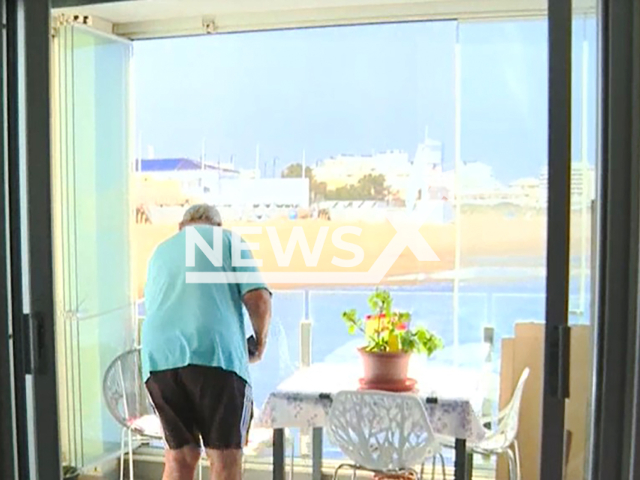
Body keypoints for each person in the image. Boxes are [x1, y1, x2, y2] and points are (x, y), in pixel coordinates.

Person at [141, 204, 272, 480]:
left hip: (159, 361)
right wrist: (259, 343)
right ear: (217, 225)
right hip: (215, 357)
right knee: (224, 461)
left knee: (180, 457)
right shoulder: (228, 241)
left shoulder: (160, 251)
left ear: (182, 228)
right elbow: (258, 298)